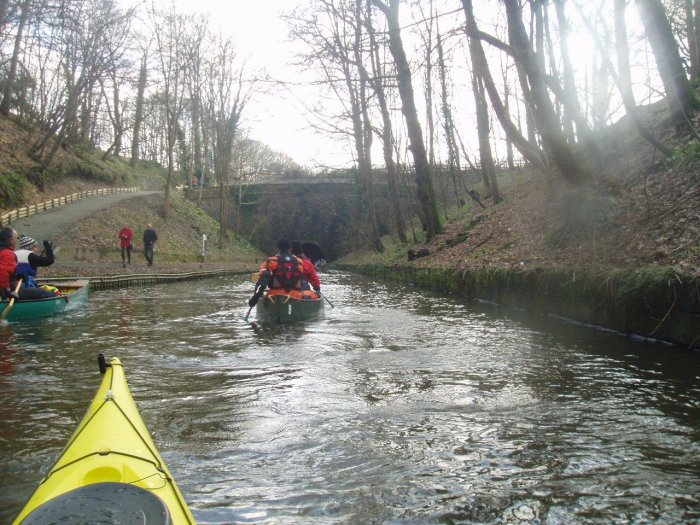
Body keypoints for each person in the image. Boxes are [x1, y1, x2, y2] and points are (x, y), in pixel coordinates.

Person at [248, 239, 305, 307]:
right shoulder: (300, 262)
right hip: (295, 295)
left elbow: (262, 279)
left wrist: (256, 296)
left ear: (278, 248)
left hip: (274, 295)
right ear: (291, 248)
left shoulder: (271, 261)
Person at [15, 233, 57, 299]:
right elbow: (50, 260)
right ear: (30, 247)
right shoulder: (30, 256)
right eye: (35, 247)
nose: (36, 249)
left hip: (13, 287)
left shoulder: (15, 253)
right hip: (24, 287)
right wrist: (47, 246)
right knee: (52, 294)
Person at [0, 227, 19, 303]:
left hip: (5, 288)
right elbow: (2, 272)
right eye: (17, 238)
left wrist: (18, 275)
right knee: (44, 293)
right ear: (11, 241)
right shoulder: (8, 254)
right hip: (5, 291)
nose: (18, 240)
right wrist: (7, 291)